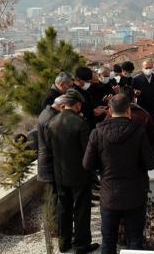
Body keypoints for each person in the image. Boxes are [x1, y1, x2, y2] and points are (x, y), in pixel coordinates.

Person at [82, 93, 154, 254]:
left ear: (109, 110)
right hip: (135, 193)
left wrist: (101, 166)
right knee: (135, 241)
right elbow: (151, 163)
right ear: (129, 110)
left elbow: (87, 164)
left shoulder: (97, 133)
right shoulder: (138, 132)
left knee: (108, 242)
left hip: (109, 194)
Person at [45, 89, 98, 254]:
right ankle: (81, 245)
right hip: (79, 174)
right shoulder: (81, 123)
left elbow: (48, 148)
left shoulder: (52, 122)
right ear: (77, 105)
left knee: (63, 208)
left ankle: (64, 242)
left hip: (59, 173)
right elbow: (88, 151)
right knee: (81, 210)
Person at [36, 95, 66, 193]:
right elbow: (52, 142)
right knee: (54, 196)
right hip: (50, 162)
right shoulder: (52, 118)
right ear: (62, 107)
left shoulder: (47, 112)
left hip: (48, 160)